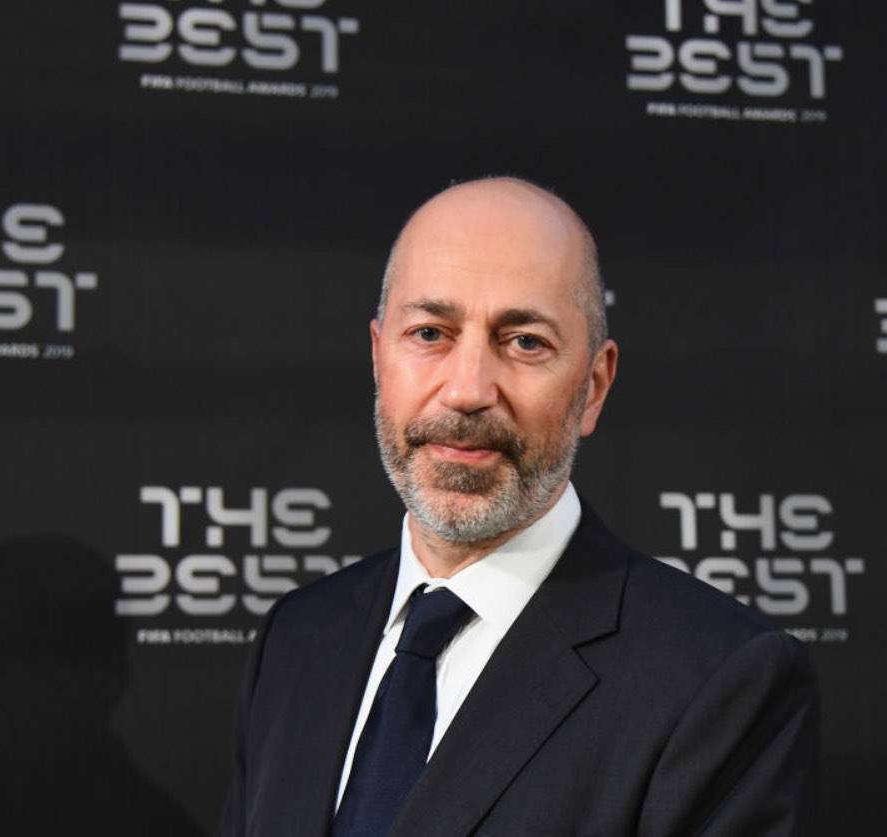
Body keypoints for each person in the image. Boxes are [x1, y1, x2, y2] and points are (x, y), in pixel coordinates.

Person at [218, 177, 818, 837]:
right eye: (430, 332)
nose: (468, 389)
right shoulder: (297, 637)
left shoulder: (717, 681)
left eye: (525, 341)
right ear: (378, 358)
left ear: (593, 386)